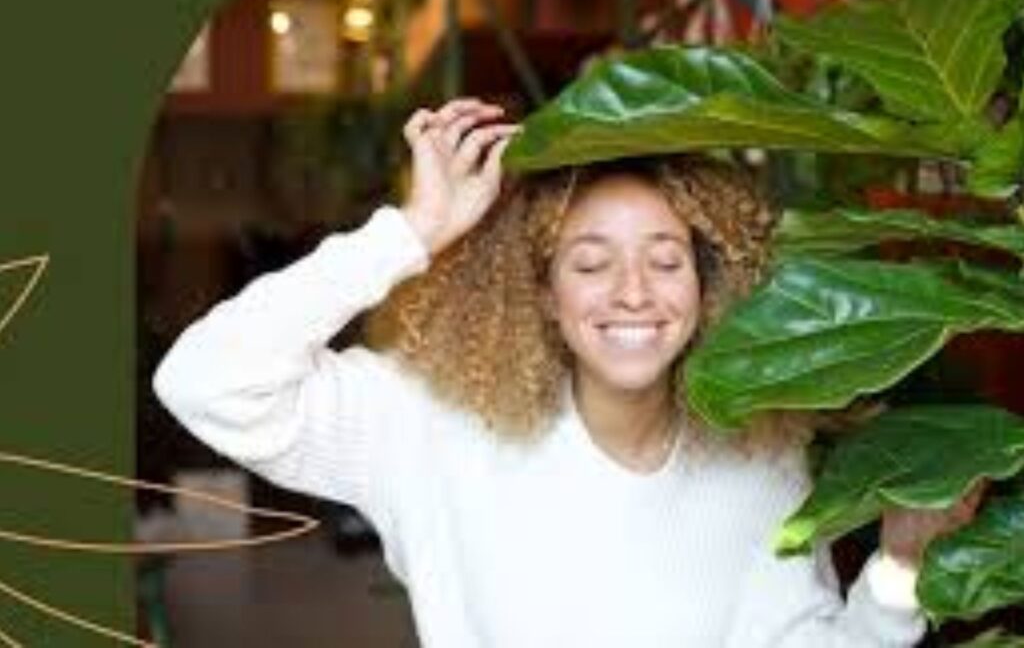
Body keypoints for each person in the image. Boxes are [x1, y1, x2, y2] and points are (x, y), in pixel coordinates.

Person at [154, 98, 981, 647]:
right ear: (544, 296)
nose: (632, 292)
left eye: (666, 260)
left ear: (707, 287)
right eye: (591, 264)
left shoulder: (761, 452)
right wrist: (412, 230)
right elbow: (206, 380)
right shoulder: (432, 427)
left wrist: (900, 574)